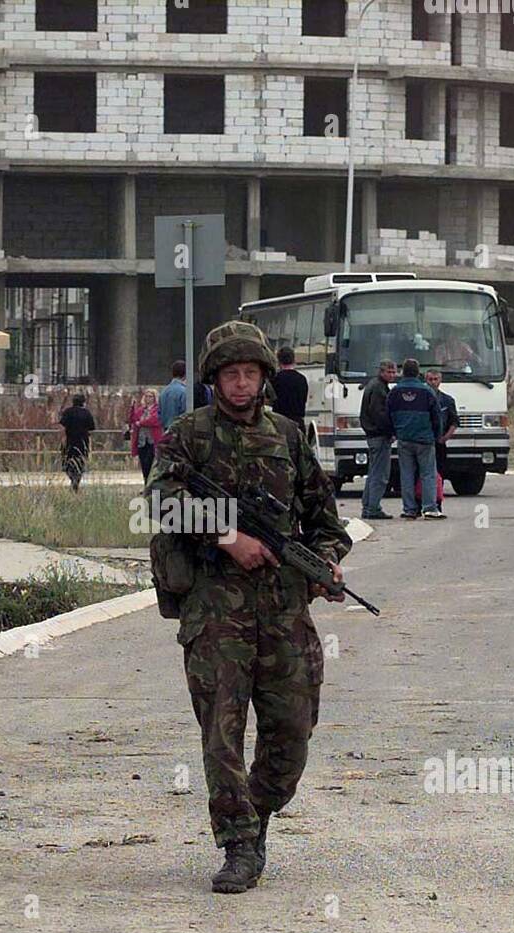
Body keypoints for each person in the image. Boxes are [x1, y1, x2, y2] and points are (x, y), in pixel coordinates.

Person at [146, 321, 352, 895]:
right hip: (216, 609)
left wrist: (326, 563)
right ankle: (237, 842)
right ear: (214, 380)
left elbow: (326, 522)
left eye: (251, 374)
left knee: (293, 729)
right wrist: (226, 536)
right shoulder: (188, 435)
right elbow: (161, 503)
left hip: (284, 607)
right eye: (231, 375)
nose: (241, 384)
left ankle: (257, 810)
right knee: (222, 730)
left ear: (264, 378)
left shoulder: (288, 436)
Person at [387, 358, 445, 520]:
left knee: (406, 474)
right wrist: (436, 435)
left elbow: (388, 415)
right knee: (428, 474)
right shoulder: (427, 391)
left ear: (403, 372)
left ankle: (409, 509)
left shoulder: (395, 392)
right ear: (418, 372)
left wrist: (395, 432)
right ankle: (429, 508)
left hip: (404, 438)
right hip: (425, 439)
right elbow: (436, 417)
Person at [359, 358, 397, 520]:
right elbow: (379, 414)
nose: (392, 375)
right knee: (380, 474)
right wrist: (391, 431)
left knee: (373, 471)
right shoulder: (378, 389)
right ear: (381, 372)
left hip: (373, 434)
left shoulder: (375, 385)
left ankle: (368, 506)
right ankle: (373, 507)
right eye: (389, 372)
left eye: (394, 372)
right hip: (379, 435)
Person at [425, 369, 460, 513]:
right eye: (430, 379)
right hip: (424, 441)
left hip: (439, 443)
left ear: (440, 380)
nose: (433, 382)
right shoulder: (421, 398)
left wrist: (445, 437)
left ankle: (437, 503)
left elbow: (454, 421)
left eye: (435, 379)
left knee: (439, 474)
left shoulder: (447, 400)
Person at [58, 394, 97, 491]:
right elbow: (92, 427)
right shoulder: (87, 413)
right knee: (80, 464)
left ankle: (72, 480)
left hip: (69, 442)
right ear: (83, 402)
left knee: (67, 463)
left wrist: (63, 439)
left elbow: (62, 426)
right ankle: (76, 482)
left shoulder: (68, 412)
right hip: (82, 443)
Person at [270, 346, 309, 434]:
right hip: (298, 424)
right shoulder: (302, 379)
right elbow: (304, 399)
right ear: (293, 360)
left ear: (279, 361)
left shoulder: (275, 379)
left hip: (279, 424)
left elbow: (269, 399)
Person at [128, 390, 163, 482]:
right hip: (142, 441)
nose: (148, 398)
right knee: (144, 465)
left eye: (150, 396)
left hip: (153, 441)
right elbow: (133, 419)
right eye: (146, 396)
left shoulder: (158, 409)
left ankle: (153, 486)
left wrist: (141, 423)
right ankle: (146, 485)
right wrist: (132, 407)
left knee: (152, 465)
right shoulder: (141, 410)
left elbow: (154, 420)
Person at [158, 360, 189, 431]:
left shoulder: (164, 391)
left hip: (165, 429)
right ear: (185, 374)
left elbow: (159, 413)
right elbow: (185, 413)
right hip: (179, 430)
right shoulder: (184, 391)